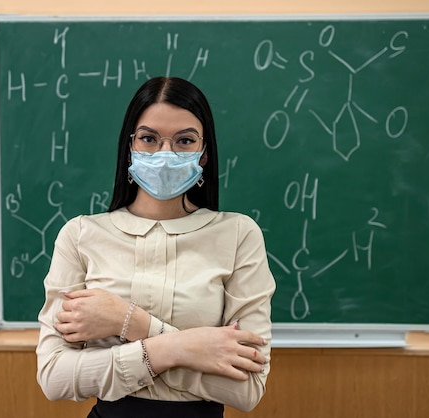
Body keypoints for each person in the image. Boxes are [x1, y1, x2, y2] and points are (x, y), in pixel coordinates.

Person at [36, 76, 276, 418]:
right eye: (149, 138)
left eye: (185, 140)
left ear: (204, 154)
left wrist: (129, 323)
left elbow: (246, 388)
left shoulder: (238, 235)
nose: (166, 154)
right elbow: (55, 377)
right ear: (130, 146)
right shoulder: (80, 235)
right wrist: (185, 347)